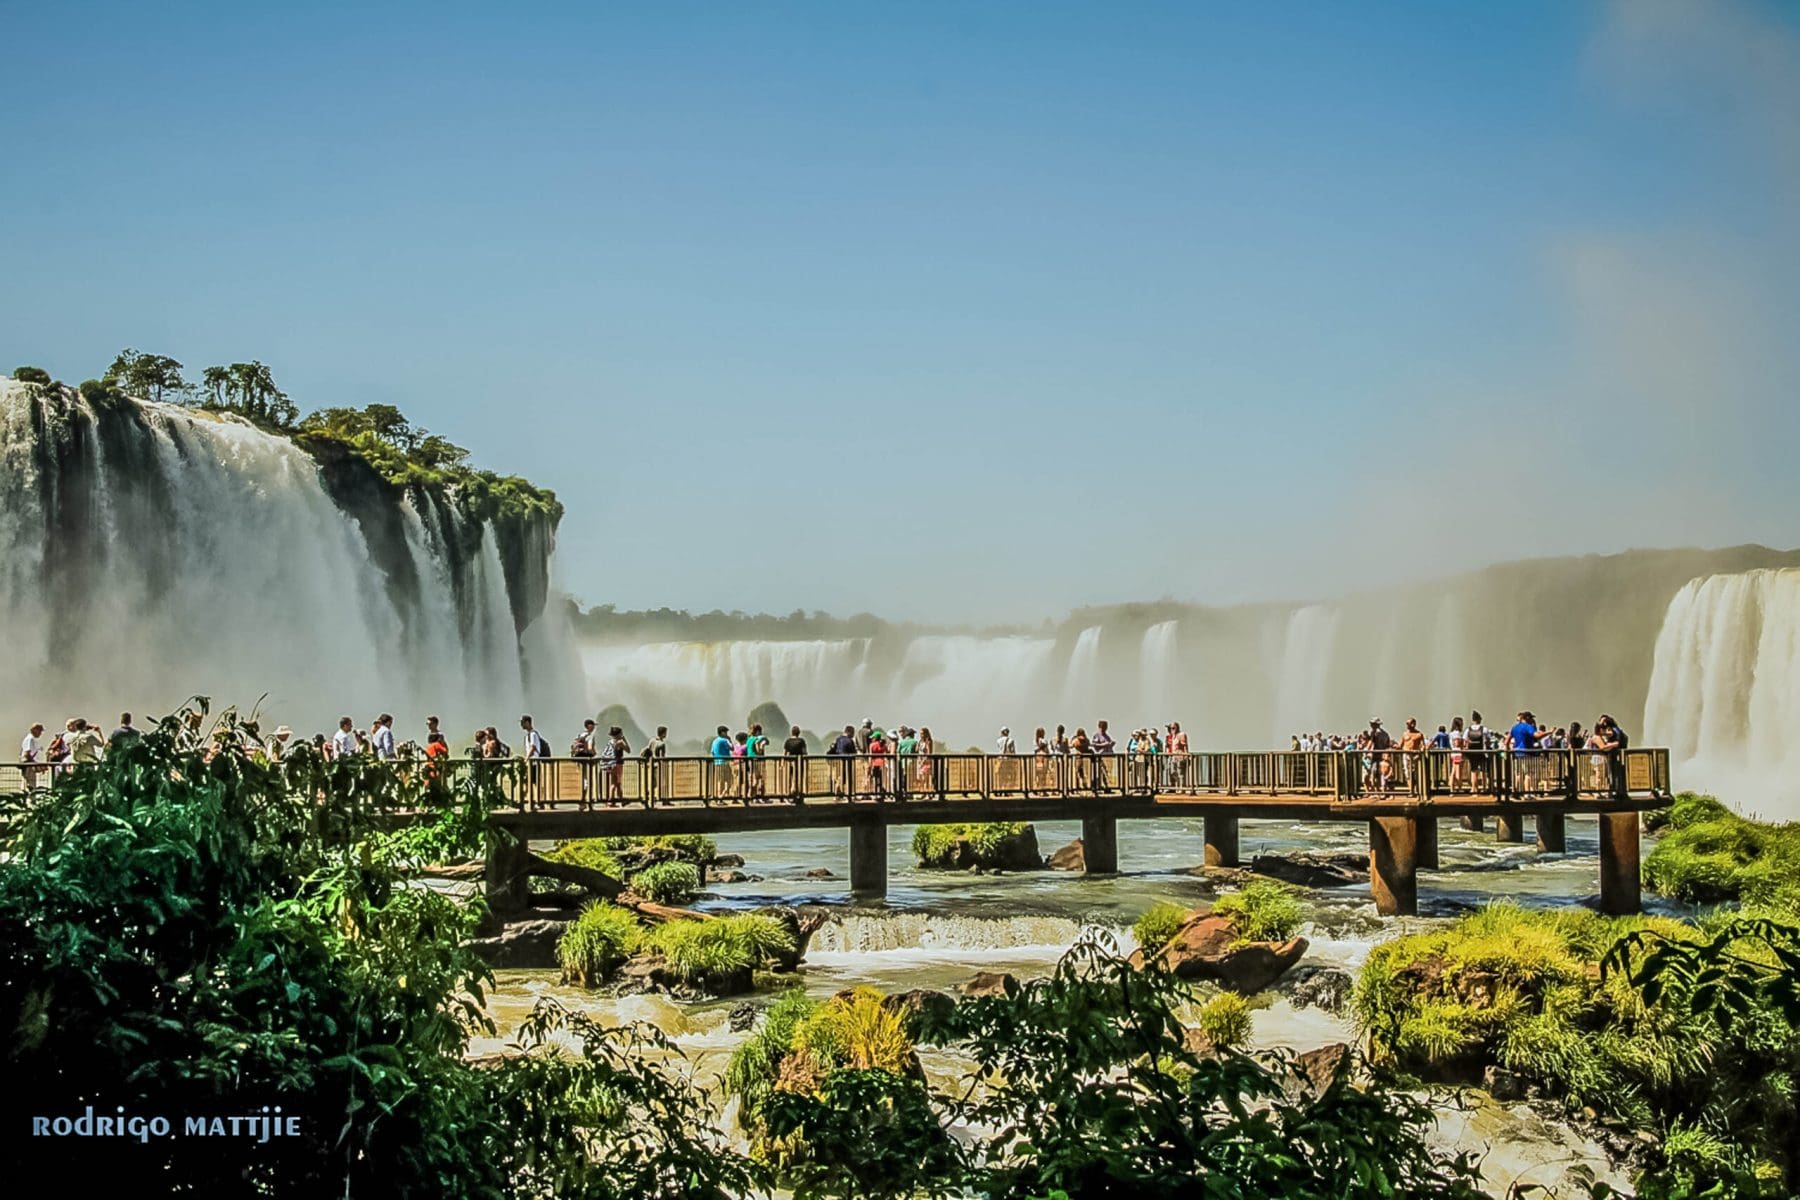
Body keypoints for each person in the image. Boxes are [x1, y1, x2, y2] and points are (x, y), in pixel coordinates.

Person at [1510, 711, 1539, 796]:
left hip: (1517, 753)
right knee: (1528, 773)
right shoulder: (1528, 727)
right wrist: (1548, 732)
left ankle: (1515, 791)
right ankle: (1527, 793)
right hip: (1526, 752)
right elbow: (1537, 736)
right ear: (1527, 718)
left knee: (1518, 773)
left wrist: (1508, 750)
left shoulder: (1515, 727)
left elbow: (1507, 741)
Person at [829, 724, 856, 802]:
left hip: (837, 761)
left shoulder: (838, 739)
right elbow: (853, 752)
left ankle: (837, 794)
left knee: (839, 778)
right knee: (846, 778)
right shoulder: (849, 741)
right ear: (850, 732)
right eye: (853, 733)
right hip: (846, 762)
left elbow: (834, 749)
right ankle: (848, 795)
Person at [783, 725, 808, 804]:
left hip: (789, 763)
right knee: (798, 779)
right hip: (799, 763)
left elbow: (785, 753)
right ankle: (798, 794)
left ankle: (790, 794)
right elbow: (804, 752)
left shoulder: (788, 741)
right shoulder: (801, 741)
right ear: (799, 733)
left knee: (790, 779)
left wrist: (783, 763)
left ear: (792, 732)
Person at [1399, 718, 1426, 790]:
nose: (1407, 725)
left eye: (1409, 723)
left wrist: (1422, 749)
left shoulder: (1419, 734)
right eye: (1406, 723)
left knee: (1415, 773)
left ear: (1413, 724)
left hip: (1415, 755)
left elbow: (1422, 745)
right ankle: (1411, 789)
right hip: (1406, 754)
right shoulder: (1405, 734)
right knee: (1407, 773)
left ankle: (1417, 788)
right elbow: (1400, 745)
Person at [1091, 720, 1116, 792]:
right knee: (1099, 772)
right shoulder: (1097, 735)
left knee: (1107, 773)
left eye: (1105, 727)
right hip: (1100, 757)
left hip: (1108, 757)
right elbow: (1094, 745)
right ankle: (1097, 787)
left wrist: (1111, 744)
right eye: (1103, 727)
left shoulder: (1107, 736)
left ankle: (1107, 787)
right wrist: (1104, 745)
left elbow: (1109, 744)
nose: (1104, 729)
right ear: (1099, 727)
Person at [867, 727, 890, 801]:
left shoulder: (872, 745)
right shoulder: (883, 745)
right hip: (883, 764)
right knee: (882, 779)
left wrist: (869, 766)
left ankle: (875, 794)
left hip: (874, 764)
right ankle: (881, 793)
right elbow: (887, 753)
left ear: (875, 738)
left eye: (872, 737)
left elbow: (870, 756)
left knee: (875, 779)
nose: (871, 739)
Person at [20, 722, 44, 788]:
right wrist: (35, 765)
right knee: (29, 785)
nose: (40, 733)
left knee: (30, 783)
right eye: (39, 730)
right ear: (34, 730)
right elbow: (27, 754)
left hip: (30, 764)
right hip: (29, 765)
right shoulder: (30, 739)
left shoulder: (32, 739)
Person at [1447, 716, 1468, 793]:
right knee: (1458, 771)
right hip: (1458, 753)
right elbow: (1457, 744)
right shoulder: (1457, 734)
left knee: (1453, 770)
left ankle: (1452, 787)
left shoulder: (1451, 733)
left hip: (1453, 753)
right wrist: (1464, 746)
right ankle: (1459, 787)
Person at [915, 726, 937, 798]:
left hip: (926, 762)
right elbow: (916, 750)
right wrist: (918, 743)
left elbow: (929, 753)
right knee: (921, 778)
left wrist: (923, 761)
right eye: (920, 734)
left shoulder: (929, 742)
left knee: (926, 778)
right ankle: (924, 792)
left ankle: (928, 792)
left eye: (923, 734)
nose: (921, 735)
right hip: (920, 761)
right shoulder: (920, 742)